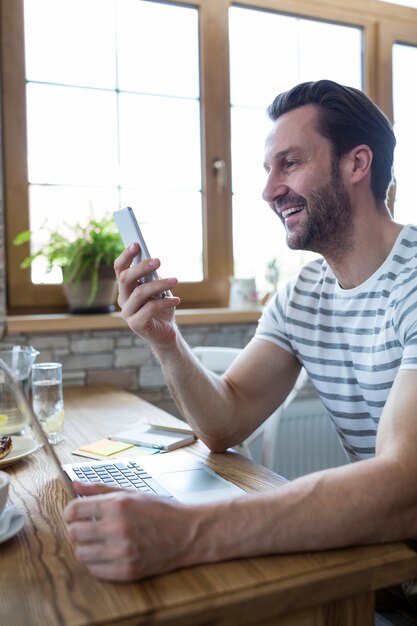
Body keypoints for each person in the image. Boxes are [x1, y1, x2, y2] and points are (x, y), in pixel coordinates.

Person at [64, 80, 417, 590]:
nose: (269, 189)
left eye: (290, 163)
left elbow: (406, 485)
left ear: (356, 164)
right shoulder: (302, 294)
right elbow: (225, 420)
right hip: (383, 578)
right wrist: (167, 341)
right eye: (269, 169)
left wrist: (184, 532)